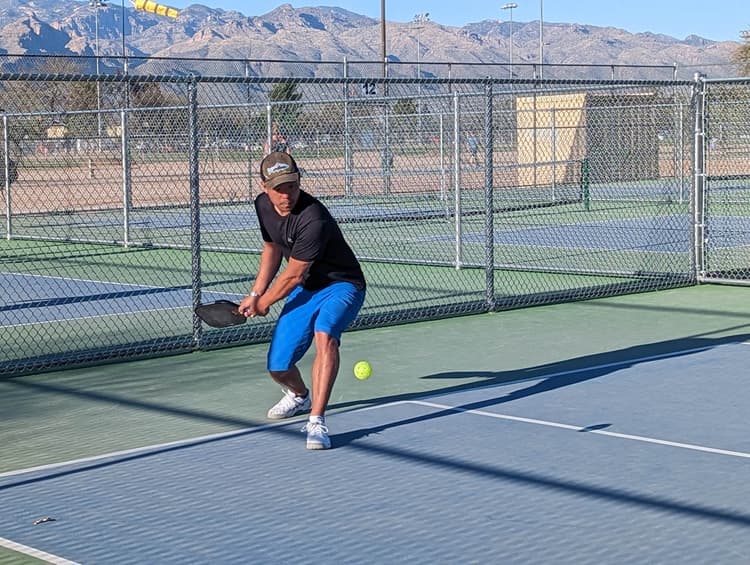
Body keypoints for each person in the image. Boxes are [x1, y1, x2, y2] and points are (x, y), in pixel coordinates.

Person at [239, 152, 366, 450]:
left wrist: (264, 302)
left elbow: (293, 275)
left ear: (299, 182)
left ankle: (317, 421)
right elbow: (271, 247)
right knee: (278, 366)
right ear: (264, 187)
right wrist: (257, 293)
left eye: (292, 187)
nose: (286, 196)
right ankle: (299, 396)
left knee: (326, 336)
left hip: (342, 285)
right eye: (279, 189)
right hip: (306, 290)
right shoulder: (262, 206)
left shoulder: (313, 218)